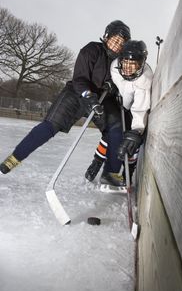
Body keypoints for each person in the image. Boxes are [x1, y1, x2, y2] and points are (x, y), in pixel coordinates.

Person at [0, 20, 131, 186]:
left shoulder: (121, 63)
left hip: (102, 99)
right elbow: (80, 78)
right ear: (106, 37)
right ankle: (15, 157)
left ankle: (109, 172)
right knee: (50, 126)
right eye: (115, 39)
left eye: (122, 42)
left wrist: (114, 88)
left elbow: (126, 84)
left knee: (116, 128)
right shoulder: (92, 50)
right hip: (77, 93)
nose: (117, 45)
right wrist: (88, 95)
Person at [85, 40, 153, 185]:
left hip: (130, 109)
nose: (127, 68)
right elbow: (109, 78)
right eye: (125, 62)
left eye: (133, 64)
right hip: (114, 102)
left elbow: (140, 109)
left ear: (141, 64)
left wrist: (137, 130)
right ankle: (97, 162)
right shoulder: (115, 67)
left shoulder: (144, 81)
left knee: (131, 140)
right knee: (111, 134)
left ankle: (128, 171)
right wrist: (110, 85)